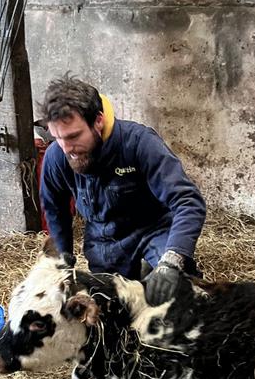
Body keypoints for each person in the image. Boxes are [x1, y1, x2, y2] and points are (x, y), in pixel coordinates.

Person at [38, 75, 206, 305]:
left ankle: (154, 266)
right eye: (57, 137)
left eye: (74, 136)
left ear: (98, 121)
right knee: (112, 306)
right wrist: (63, 259)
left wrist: (172, 259)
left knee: (178, 294)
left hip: (153, 229)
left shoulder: (139, 143)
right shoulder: (57, 156)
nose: (67, 148)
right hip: (105, 240)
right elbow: (55, 207)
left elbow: (188, 201)